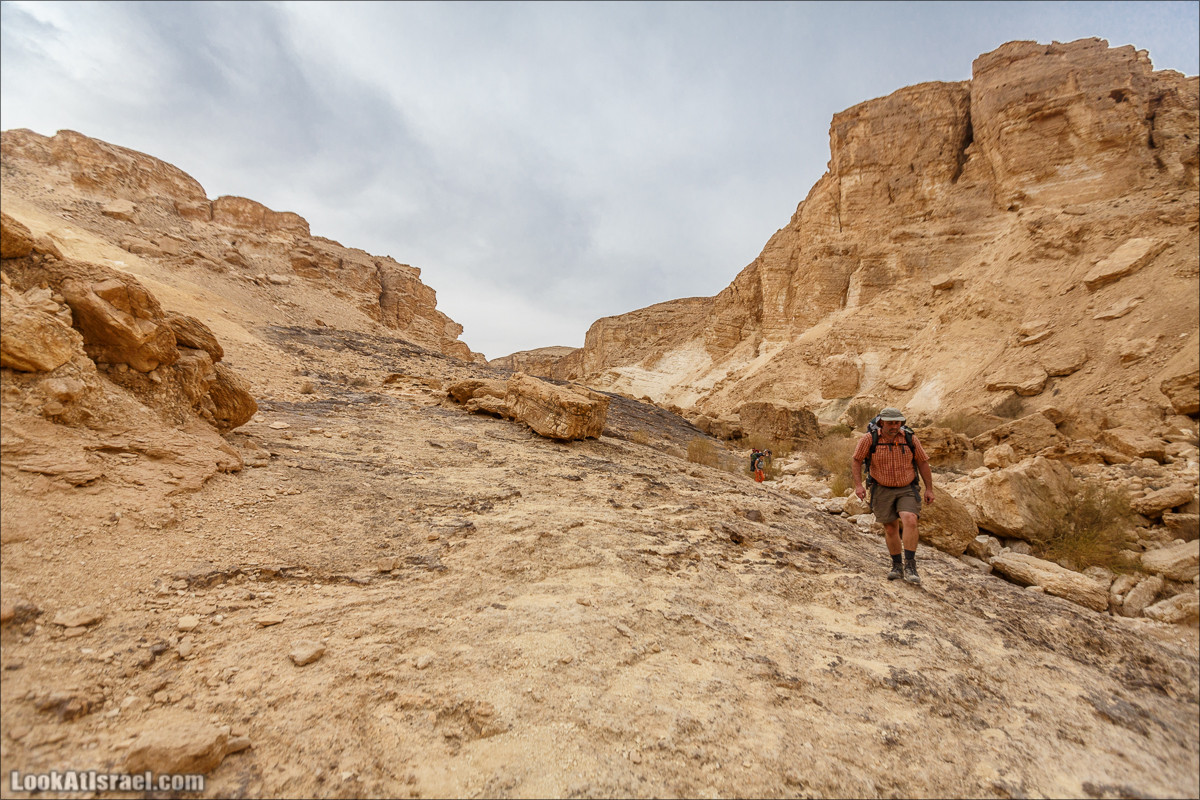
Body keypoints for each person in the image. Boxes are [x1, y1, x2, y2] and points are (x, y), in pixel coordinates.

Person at [850, 407, 935, 585]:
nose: (894, 426)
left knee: (910, 519)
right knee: (890, 528)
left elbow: (922, 462)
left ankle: (910, 565)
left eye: (897, 422)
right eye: (890, 423)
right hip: (881, 488)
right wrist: (858, 485)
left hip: (907, 487)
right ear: (882, 422)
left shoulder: (909, 438)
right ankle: (897, 566)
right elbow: (857, 460)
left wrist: (929, 489)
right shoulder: (869, 439)